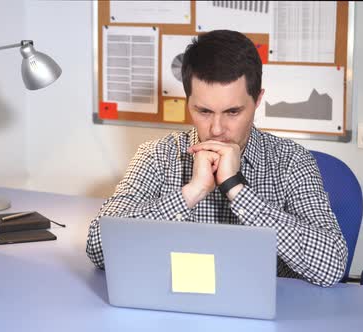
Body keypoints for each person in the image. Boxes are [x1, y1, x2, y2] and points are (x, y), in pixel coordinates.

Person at [86, 30, 347, 287]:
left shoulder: (291, 161)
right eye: (203, 111)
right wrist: (190, 193)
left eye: (233, 111)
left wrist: (236, 189)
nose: (217, 129)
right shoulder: (156, 156)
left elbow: (332, 265)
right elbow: (98, 247)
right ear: (188, 103)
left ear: (258, 100)